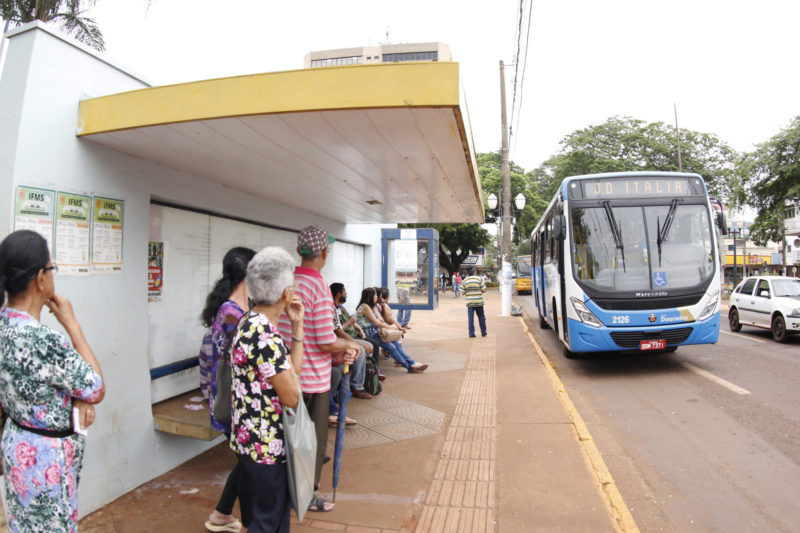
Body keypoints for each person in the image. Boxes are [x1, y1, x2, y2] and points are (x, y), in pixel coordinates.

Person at [0, 230, 105, 531]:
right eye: (51, 268)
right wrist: (71, 324)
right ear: (40, 279)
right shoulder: (43, 340)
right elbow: (96, 386)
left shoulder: (4, 323)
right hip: (45, 462)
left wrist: (76, 396)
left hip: (17, 445)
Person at [277, 226, 359, 513]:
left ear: (300, 251)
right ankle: (305, 495)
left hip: (285, 377)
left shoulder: (286, 284)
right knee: (311, 443)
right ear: (324, 253)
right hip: (313, 381)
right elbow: (325, 341)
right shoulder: (319, 287)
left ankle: (285, 489)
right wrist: (349, 347)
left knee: (288, 440)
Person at [230, 246, 305, 532]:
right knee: (268, 521)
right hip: (267, 448)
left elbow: (290, 374)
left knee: (266, 518)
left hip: (249, 441)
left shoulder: (249, 323)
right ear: (286, 293)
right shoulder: (266, 337)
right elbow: (292, 394)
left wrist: (297, 328)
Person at [201, 247, 256, 533]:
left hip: (239, 402)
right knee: (248, 463)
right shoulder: (232, 313)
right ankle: (249, 523)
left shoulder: (239, 309)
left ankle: (223, 513)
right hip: (233, 403)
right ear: (249, 274)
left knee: (246, 461)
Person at [356, 287, 427, 373]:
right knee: (391, 347)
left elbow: (379, 320)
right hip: (367, 334)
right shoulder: (365, 307)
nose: (377, 297)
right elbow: (376, 322)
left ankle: (412, 363)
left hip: (374, 332)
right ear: (370, 296)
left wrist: (388, 325)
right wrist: (390, 327)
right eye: (375, 295)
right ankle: (409, 366)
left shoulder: (371, 307)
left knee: (395, 343)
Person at [462, 267, 487, 337]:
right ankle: (483, 332)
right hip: (479, 301)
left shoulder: (465, 280)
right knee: (481, 316)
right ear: (474, 272)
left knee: (471, 318)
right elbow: (484, 290)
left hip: (470, 302)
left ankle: (471, 333)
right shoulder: (479, 279)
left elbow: (463, 292)